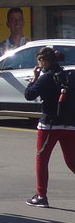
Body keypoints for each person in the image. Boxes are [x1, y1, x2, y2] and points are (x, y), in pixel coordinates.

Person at [22, 46, 75, 207]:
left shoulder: (45, 77)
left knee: (42, 160)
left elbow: (29, 95)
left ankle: (41, 196)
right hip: (70, 124)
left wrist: (34, 78)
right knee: (72, 161)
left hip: (49, 125)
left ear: (43, 61)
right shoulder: (69, 75)